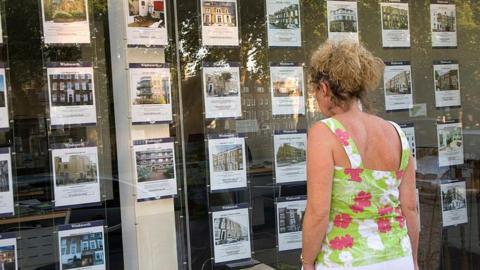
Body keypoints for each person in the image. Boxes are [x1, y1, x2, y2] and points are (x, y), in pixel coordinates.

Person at [301, 41, 419, 270]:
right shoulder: (396, 133)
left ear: (324, 88)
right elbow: (410, 208)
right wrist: (413, 260)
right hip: (398, 257)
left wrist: (306, 262)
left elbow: (318, 212)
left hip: (345, 261)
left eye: (315, 91)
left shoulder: (324, 133)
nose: (316, 100)